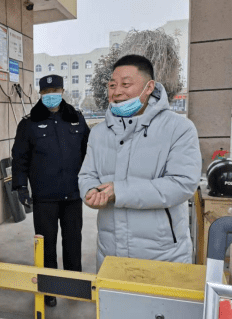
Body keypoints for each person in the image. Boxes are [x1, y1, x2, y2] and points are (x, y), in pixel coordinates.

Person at [78, 54, 201, 271]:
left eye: (126, 84)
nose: (117, 92)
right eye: (112, 85)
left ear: (149, 87)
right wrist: (91, 192)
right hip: (110, 252)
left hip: (163, 255)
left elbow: (182, 184)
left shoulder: (178, 129)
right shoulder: (98, 133)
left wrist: (119, 191)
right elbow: (87, 175)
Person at [12, 74, 90, 307]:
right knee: (46, 246)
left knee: (73, 242)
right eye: (46, 92)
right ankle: (49, 289)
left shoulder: (76, 119)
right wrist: (21, 187)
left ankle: (74, 287)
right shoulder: (28, 124)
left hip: (73, 195)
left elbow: (90, 153)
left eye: (55, 90)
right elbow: (19, 158)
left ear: (63, 91)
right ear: (40, 94)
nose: (51, 95)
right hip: (44, 197)